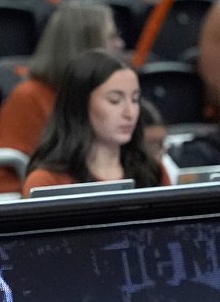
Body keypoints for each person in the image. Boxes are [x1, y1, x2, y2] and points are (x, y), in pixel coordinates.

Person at [0, 0, 121, 193]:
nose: (120, 44)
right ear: (87, 44)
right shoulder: (29, 97)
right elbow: (16, 170)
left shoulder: (103, 96)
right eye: (111, 37)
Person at [24, 50, 166, 195]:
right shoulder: (46, 182)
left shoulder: (153, 172)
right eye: (114, 101)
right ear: (80, 105)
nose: (130, 113)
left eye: (135, 100)